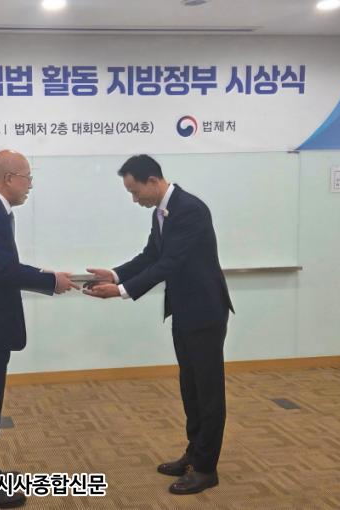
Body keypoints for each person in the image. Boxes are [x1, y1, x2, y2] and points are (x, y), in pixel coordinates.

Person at [84, 154, 234, 495]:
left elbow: (170, 263)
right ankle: (194, 453)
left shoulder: (190, 210)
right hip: (184, 311)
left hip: (206, 312)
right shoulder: (161, 212)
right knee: (190, 388)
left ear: (152, 181)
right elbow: (151, 255)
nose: (134, 199)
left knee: (208, 392)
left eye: (135, 192)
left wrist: (122, 291)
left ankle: (206, 468)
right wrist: (115, 274)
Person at [0, 150, 78, 508]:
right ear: (8, 178)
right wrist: (50, 280)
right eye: (27, 178)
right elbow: (3, 270)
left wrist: (45, 276)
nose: (30, 185)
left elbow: (2, 266)